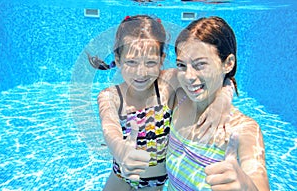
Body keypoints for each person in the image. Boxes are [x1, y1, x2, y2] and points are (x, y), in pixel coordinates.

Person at [92, 15, 233, 191]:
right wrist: (120, 150)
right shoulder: (110, 96)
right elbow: (109, 127)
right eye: (131, 62)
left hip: (156, 182)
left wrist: (223, 100)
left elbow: (215, 77)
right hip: (121, 177)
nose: (141, 73)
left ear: (161, 59)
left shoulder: (167, 84)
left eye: (150, 62)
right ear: (118, 60)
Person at [166, 16, 270, 191]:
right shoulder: (179, 97)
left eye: (200, 65)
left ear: (228, 64)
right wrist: (224, 94)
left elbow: (259, 182)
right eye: (182, 65)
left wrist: (246, 187)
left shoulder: (244, 129)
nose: (189, 76)